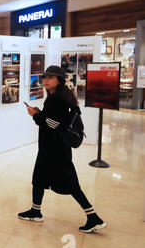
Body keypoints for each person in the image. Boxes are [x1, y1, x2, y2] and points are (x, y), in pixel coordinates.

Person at [18, 65, 106, 233]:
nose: (45, 81)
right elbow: (54, 119)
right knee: (39, 178)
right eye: (45, 77)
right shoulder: (59, 96)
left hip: (54, 150)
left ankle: (93, 217)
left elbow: (54, 124)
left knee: (71, 184)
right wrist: (40, 113)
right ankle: (36, 211)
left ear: (59, 80)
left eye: (50, 78)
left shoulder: (56, 99)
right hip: (53, 148)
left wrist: (35, 116)